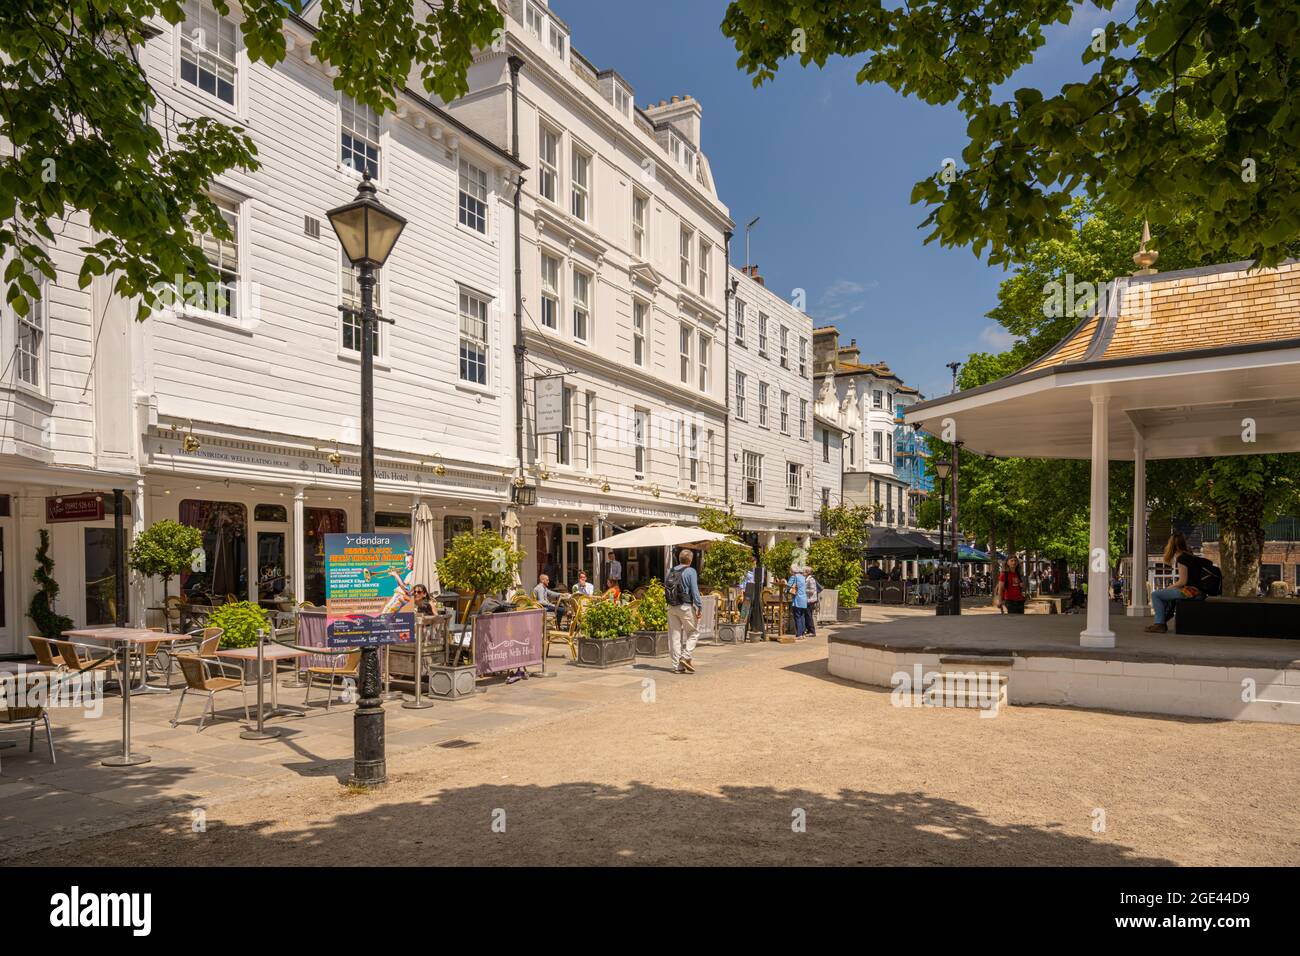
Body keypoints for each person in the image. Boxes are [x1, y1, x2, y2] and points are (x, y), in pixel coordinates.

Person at [1146, 532, 1206, 633]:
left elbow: (1183, 581)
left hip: (1191, 592)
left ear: (1173, 545)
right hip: (1198, 591)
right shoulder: (1189, 555)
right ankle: (1161, 621)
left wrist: (1168, 588)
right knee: (1164, 594)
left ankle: (1160, 624)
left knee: (1155, 594)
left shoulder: (1181, 558)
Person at [665, 548, 702, 674]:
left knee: (674, 636)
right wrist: (699, 606)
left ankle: (677, 666)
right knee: (694, 632)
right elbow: (694, 590)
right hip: (685, 606)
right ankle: (685, 656)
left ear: (680, 559)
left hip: (671, 607)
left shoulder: (671, 570)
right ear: (690, 560)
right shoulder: (691, 571)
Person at [786, 565, 810, 639]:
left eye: (790, 570)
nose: (790, 571)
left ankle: (799, 634)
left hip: (797, 599)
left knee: (797, 617)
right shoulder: (803, 577)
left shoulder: (794, 576)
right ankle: (802, 634)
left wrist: (785, 588)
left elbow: (788, 586)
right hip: (804, 599)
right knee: (802, 616)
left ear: (793, 570)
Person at [803, 567, 821, 636]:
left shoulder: (811, 580)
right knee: (807, 615)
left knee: (808, 615)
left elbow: (812, 590)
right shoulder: (806, 579)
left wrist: (803, 590)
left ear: (808, 572)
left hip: (810, 600)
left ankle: (812, 631)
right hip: (807, 599)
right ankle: (809, 630)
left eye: (804, 571)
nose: (803, 572)